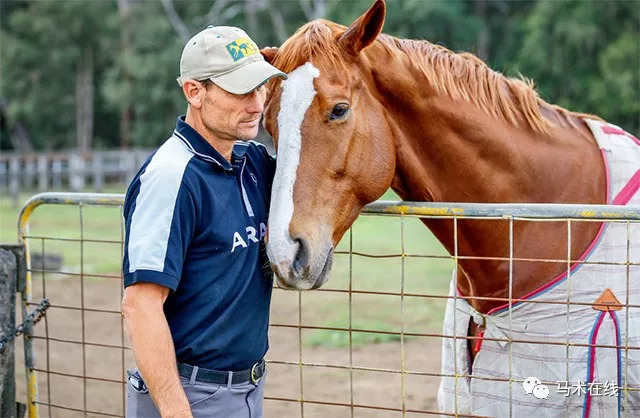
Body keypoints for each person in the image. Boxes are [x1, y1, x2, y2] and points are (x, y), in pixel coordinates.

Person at [121, 25, 286, 418]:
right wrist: (178, 411)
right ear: (195, 92)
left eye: (261, 88)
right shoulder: (171, 177)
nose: (257, 103)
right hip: (188, 394)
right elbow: (141, 304)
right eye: (241, 90)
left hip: (247, 388)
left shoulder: (254, 164)